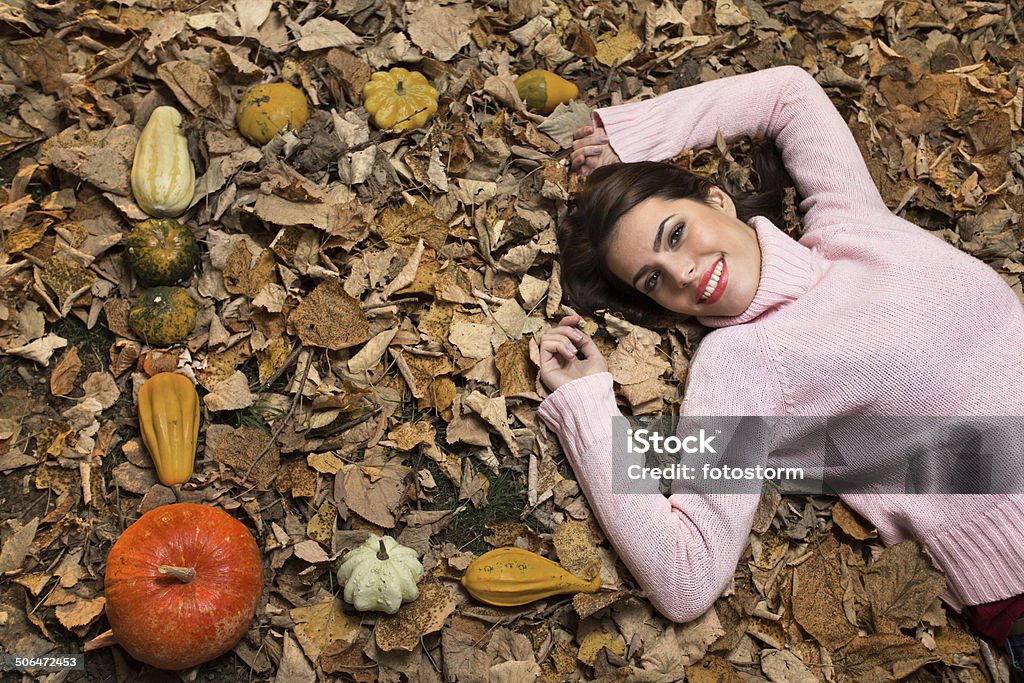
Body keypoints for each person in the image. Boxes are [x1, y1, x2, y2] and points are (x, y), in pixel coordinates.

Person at [534, 65, 1024, 675]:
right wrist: (587, 409)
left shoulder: (850, 222)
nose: (682, 273)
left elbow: (789, 91)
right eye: (653, 279)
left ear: (719, 200)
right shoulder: (742, 364)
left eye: (677, 233)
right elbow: (684, 580)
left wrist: (637, 138)